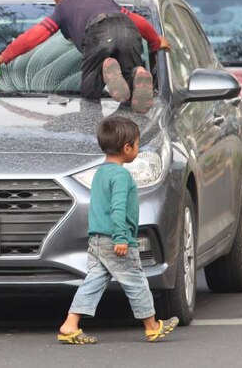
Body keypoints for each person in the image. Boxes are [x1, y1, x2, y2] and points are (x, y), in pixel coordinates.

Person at [0, 0, 170, 114]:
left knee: (89, 89)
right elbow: (137, 20)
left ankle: (104, 73)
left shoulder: (63, 7)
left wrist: (2, 57)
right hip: (127, 28)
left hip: (99, 33)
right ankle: (138, 73)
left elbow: (34, 35)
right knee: (129, 80)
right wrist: (155, 41)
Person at [57, 116, 179, 344]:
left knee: (93, 281)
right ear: (127, 147)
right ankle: (152, 326)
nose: (138, 148)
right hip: (116, 240)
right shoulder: (121, 176)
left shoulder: (100, 173)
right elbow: (118, 209)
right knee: (136, 280)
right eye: (137, 144)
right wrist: (121, 237)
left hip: (97, 240)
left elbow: (99, 208)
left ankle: (70, 324)